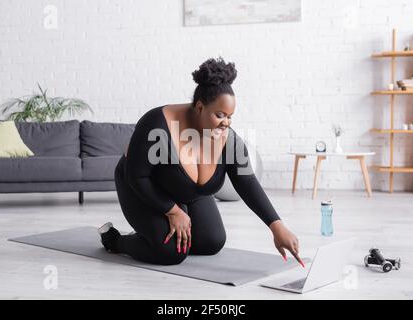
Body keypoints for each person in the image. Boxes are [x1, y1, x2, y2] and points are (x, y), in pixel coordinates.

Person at [98, 57, 302, 266]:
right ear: (199, 107)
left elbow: (247, 182)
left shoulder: (227, 139)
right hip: (140, 186)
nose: (226, 123)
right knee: (170, 253)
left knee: (211, 242)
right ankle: (116, 240)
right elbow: (137, 176)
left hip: (185, 192)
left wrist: (277, 227)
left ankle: (160, 229)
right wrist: (172, 211)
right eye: (220, 114)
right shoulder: (157, 124)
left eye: (230, 116)